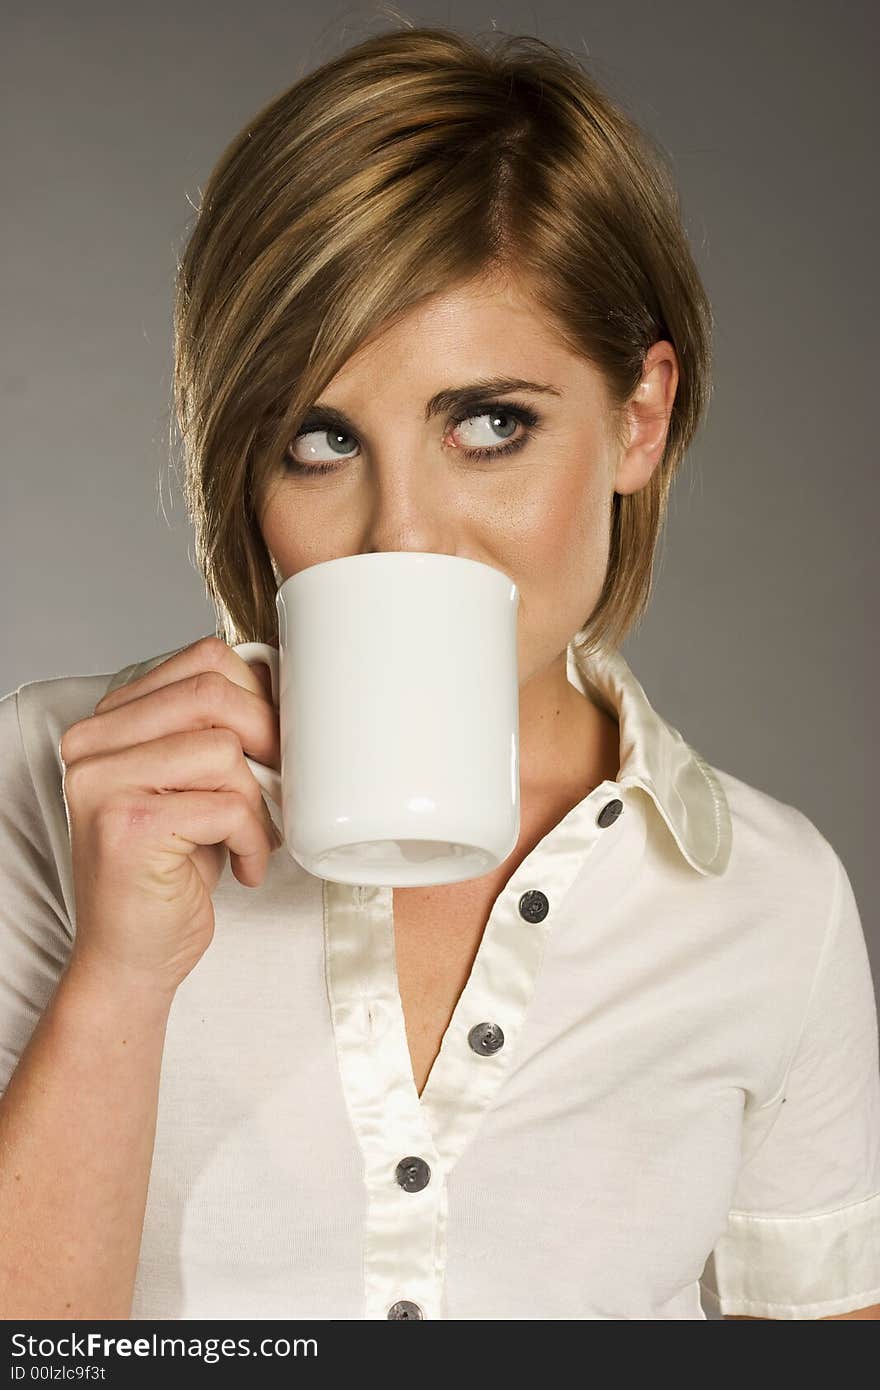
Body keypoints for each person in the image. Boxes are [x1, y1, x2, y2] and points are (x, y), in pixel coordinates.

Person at [1, 23, 878, 1323]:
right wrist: (122, 979)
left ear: (638, 418)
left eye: (490, 424)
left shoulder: (772, 901)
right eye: (318, 438)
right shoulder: (52, 783)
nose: (401, 532)